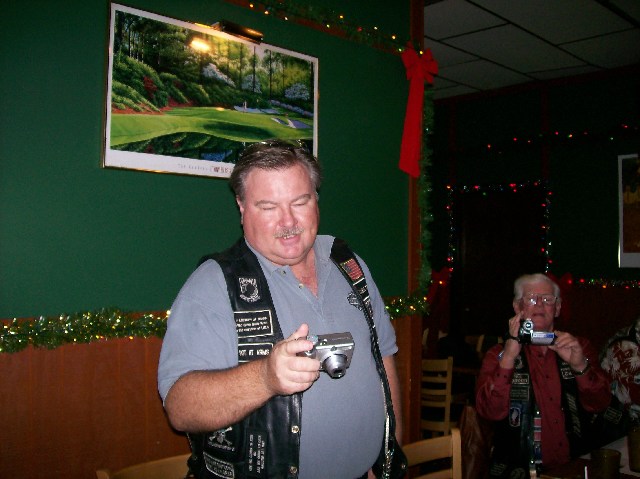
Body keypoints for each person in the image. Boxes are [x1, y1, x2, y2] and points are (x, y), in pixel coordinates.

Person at [157, 140, 403, 479]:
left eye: (300, 202)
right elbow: (180, 408)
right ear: (242, 207)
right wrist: (265, 378)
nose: (288, 221)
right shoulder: (213, 284)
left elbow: (383, 358)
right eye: (268, 207)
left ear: (316, 198)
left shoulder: (349, 265)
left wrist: (387, 455)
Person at [475, 273, 611, 478]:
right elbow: (489, 412)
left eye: (547, 299)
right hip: (518, 471)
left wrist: (579, 365)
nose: (539, 304)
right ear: (517, 307)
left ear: (557, 308)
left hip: (573, 467)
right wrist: (509, 358)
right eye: (531, 298)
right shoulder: (498, 355)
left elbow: (601, 403)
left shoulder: (579, 347)